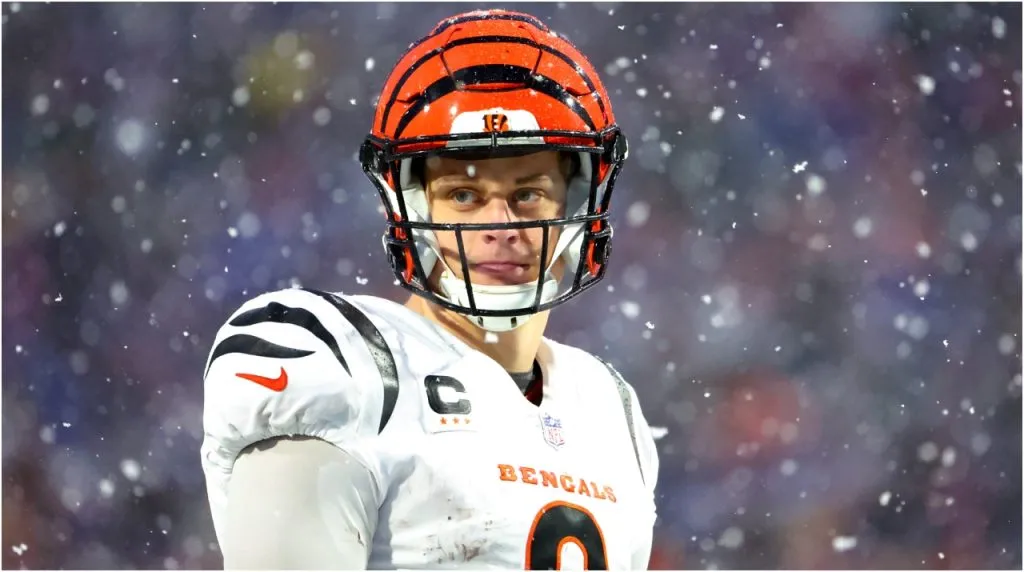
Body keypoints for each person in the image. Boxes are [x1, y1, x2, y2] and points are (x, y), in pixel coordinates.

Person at [201, 9, 659, 570]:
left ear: (580, 203)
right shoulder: (344, 366)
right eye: (464, 195)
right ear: (411, 208)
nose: (501, 226)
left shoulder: (610, 408)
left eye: (530, 193)